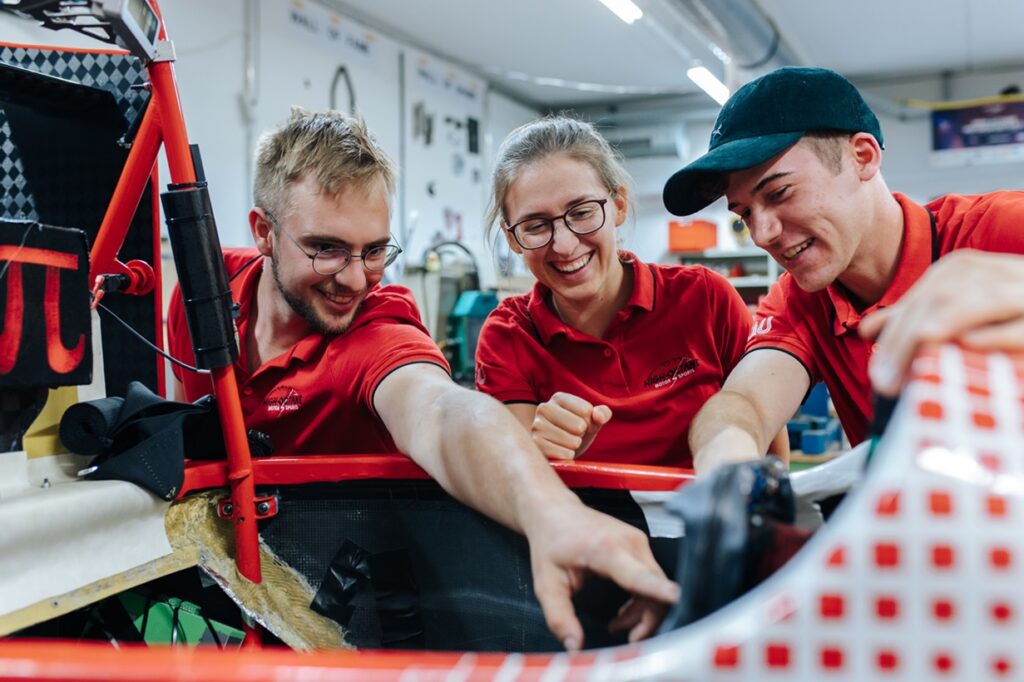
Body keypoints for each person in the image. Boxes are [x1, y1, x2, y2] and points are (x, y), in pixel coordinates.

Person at [167, 108, 678, 650]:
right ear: (265, 232)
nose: (355, 277)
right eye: (326, 248)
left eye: (374, 250)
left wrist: (552, 514)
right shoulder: (203, 295)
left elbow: (442, 412)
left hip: (338, 617)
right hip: (223, 592)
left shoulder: (376, 327)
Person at [661, 66, 1024, 474]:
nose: (762, 233)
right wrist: (725, 461)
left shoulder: (1005, 228)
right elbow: (743, 402)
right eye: (744, 213)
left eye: (779, 193)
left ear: (863, 157)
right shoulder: (799, 300)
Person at [475, 116, 787, 467]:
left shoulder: (705, 298)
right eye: (535, 226)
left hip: (706, 520)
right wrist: (545, 453)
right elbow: (517, 484)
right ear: (511, 238)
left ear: (619, 205)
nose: (563, 245)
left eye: (581, 212)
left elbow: (771, 454)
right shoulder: (509, 335)